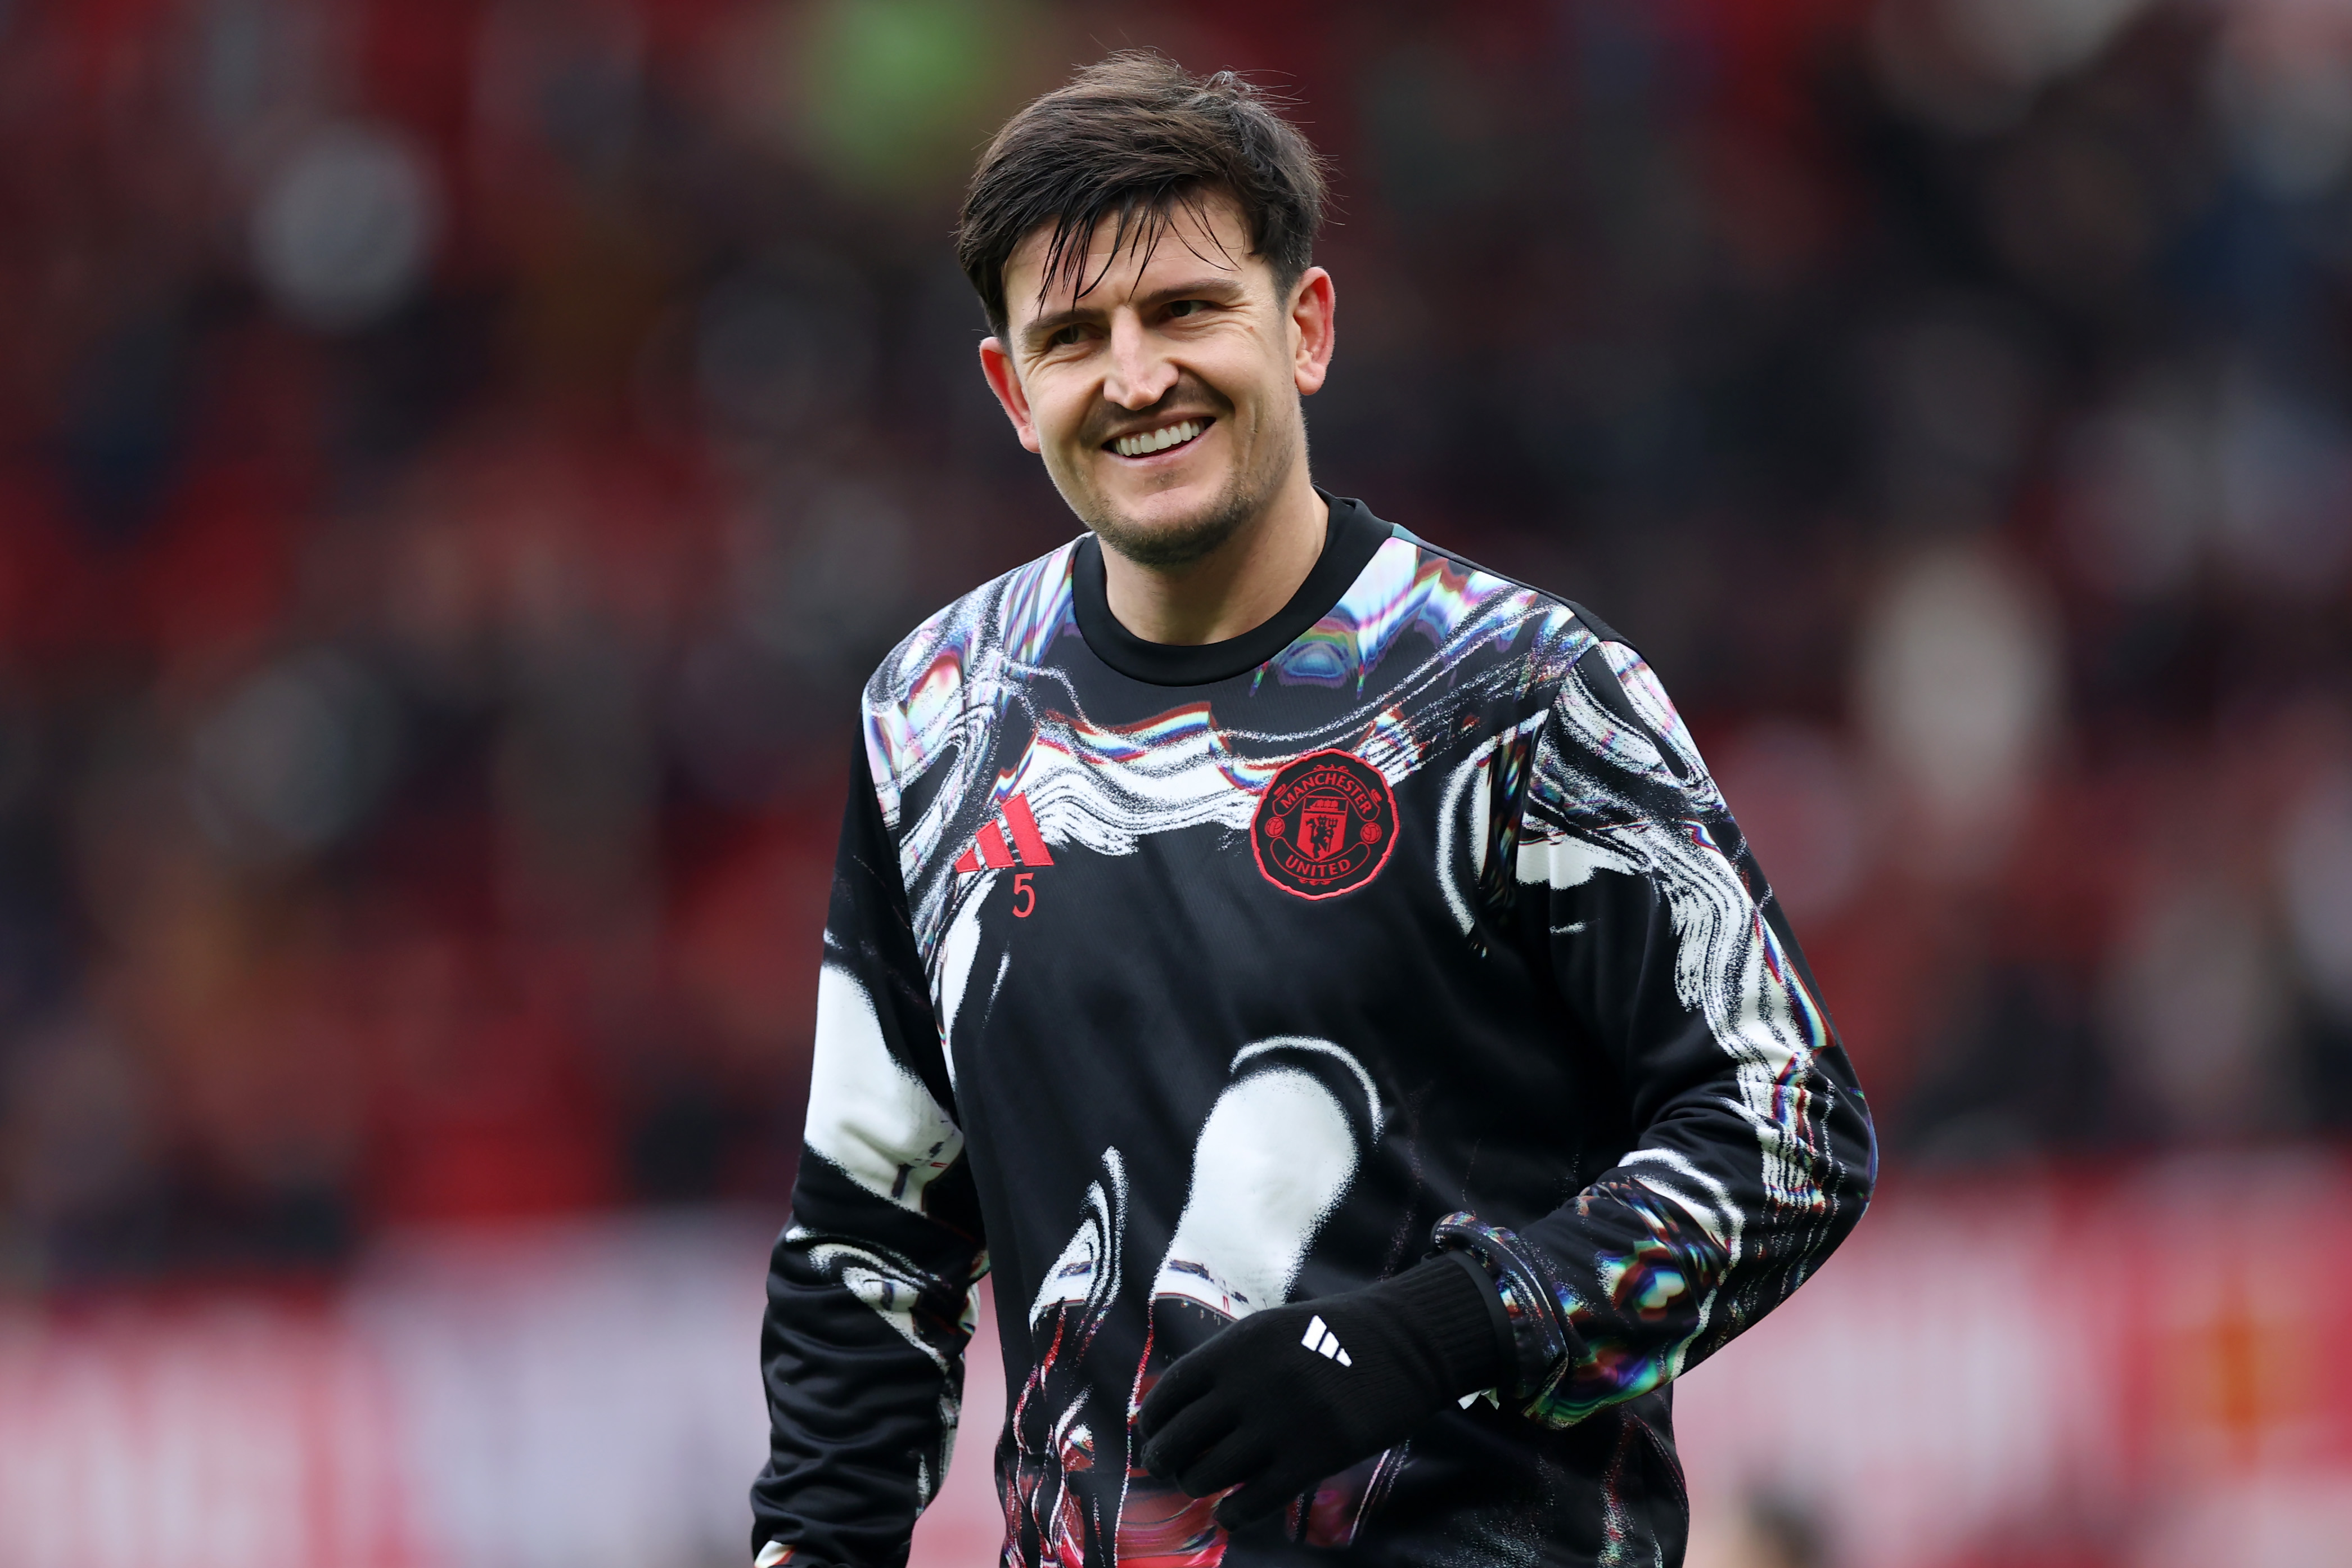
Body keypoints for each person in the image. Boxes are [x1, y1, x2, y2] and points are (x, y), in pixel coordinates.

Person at [751, 52, 1873, 1568]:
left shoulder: (1521, 692)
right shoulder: (935, 720)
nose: (1137, 376)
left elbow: (1794, 1132)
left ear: (1308, 327)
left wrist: (1432, 1331)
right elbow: (865, 1247)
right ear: (1014, 392)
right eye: (1075, 336)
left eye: (1186, 310)